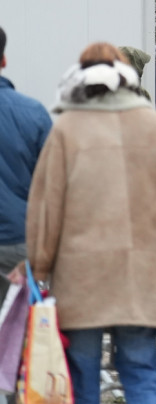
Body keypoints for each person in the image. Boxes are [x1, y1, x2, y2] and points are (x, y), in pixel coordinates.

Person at [17, 42, 156, 404]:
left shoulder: (66, 130)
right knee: (141, 372)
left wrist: (39, 267)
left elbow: (46, 208)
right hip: (144, 272)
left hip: (81, 277)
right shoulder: (154, 125)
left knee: (83, 377)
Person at [0, 26, 52, 314]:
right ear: (4, 60)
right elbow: (54, 183)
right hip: (20, 242)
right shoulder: (33, 113)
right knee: (19, 333)